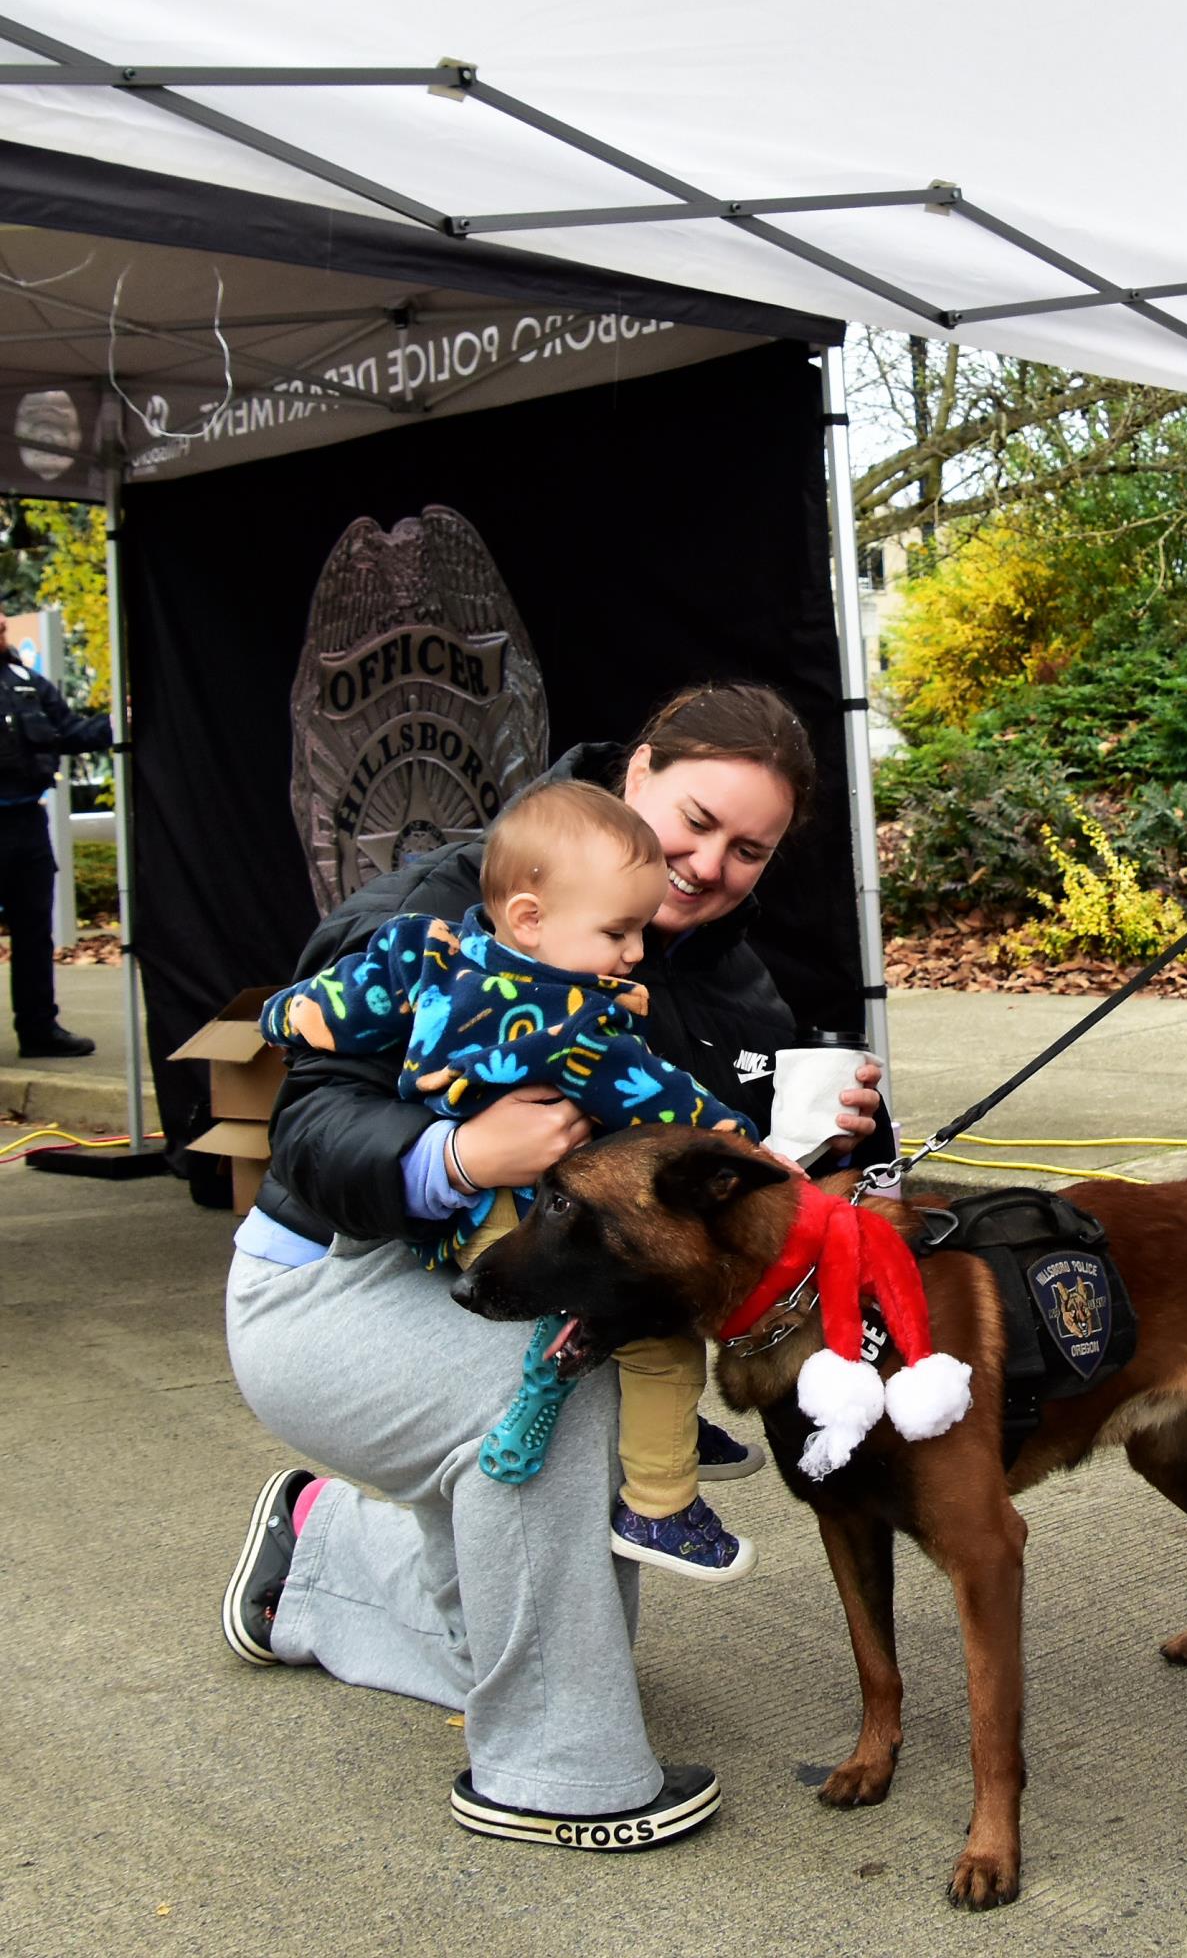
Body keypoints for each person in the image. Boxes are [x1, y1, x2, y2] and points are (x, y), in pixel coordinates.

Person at [224, 682, 888, 1850]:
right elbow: (308, 1125)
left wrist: (827, 1144)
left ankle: (320, 1559)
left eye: (750, 849)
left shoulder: (730, 978)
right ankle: (554, 1773)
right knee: (564, 1404)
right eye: (694, 821)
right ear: (635, 775)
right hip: (330, 1281)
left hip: (510, 1277)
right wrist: (457, 1151)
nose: (709, 864)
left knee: (552, 1596)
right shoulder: (463, 897)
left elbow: (714, 1184)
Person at [257, 776, 768, 1582]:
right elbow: (675, 1105)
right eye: (618, 931)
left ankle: (647, 1430)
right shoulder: (575, 1030)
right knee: (660, 1337)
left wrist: (283, 1015)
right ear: (532, 918)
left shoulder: (431, 955)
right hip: (512, 1224)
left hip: (447, 1221)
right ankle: (661, 1500)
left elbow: (337, 1004)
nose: (634, 951)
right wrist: (750, 1151)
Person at [0, 606, 113, 1059]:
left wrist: (119, 721)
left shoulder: (24, 681)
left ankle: (38, 1030)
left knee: (33, 932)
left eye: (4, 623)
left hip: (26, 823)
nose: (2, 628)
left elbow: (69, 732)